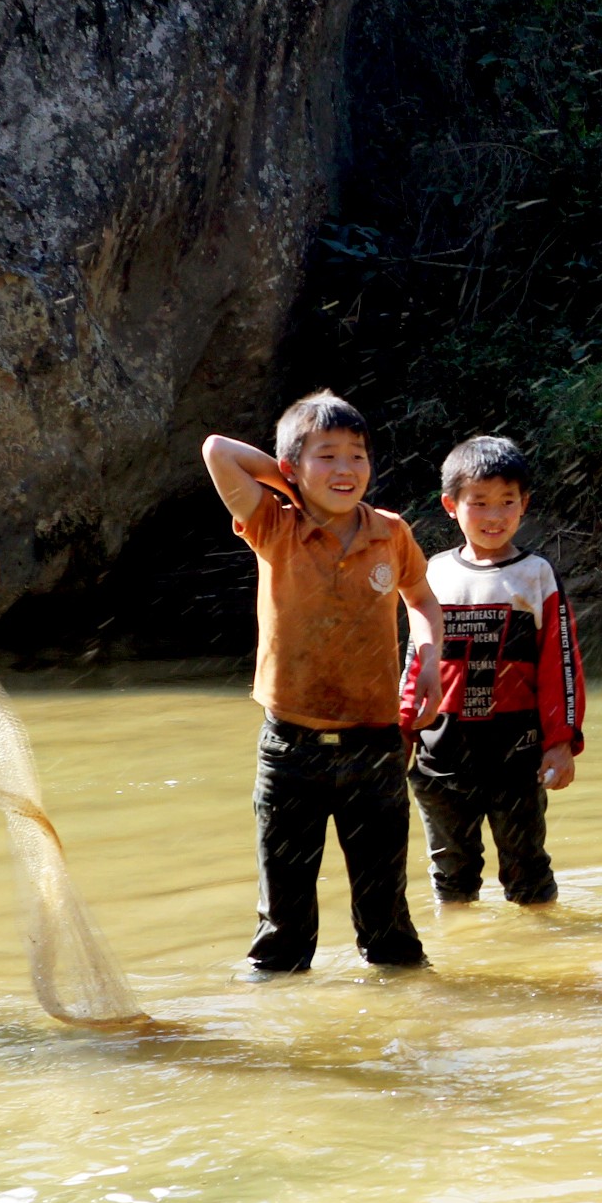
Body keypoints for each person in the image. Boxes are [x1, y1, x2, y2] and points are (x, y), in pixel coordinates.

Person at [202, 391, 443, 974]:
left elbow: (421, 599)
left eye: (357, 456)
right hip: (291, 752)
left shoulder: (390, 532)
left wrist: (430, 654)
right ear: (292, 467)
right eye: (326, 456)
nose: (345, 470)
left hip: (377, 745)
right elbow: (217, 451)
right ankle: (280, 1048)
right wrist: (285, 485)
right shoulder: (272, 526)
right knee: (282, 930)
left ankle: (412, 1034)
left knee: (388, 926)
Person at [398, 436, 585, 906]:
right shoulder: (432, 575)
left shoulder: (535, 574)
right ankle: (461, 956)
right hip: (440, 748)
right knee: (450, 871)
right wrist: (401, 732)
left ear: (525, 505)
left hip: (516, 752)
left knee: (527, 870)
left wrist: (560, 742)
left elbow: (560, 662)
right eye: (478, 503)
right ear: (450, 506)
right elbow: (414, 662)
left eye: (507, 502)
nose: (494, 516)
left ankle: (545, 961)